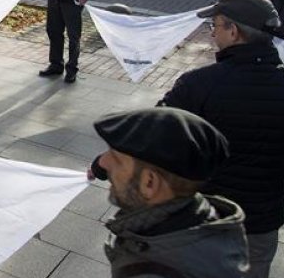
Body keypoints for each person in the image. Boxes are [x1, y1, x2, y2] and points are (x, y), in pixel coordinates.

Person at [158, 0, 284, 278]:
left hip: (203, 219)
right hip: (260, 227)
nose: (212, 34)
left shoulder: (197, 85)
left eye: (214, 26)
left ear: (233, 30)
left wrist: (104, 166)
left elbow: (153, 136)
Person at [92, 107, 248, 277]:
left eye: (116, 158)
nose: (103, 162)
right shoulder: (200, 215)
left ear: (149, 183)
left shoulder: (154, 270)